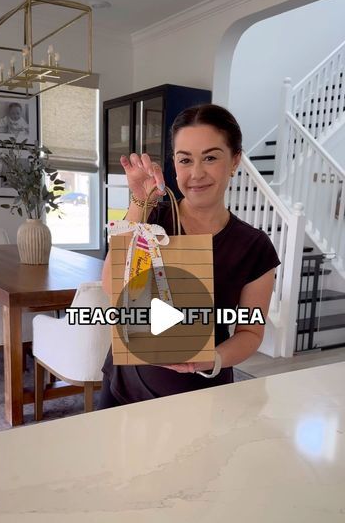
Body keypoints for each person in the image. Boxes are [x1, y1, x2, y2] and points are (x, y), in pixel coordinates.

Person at [99, 103, 281, 408]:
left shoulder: (254, 246)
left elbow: (250, 331)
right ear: (174, 163)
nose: (196, 173)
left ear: (235, 160)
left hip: (200, 394)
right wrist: (138, 203)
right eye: (185, 160)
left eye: (210, 157)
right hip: (124, 387)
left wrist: (214, 358)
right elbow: (112, 286)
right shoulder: (152, 218)